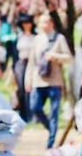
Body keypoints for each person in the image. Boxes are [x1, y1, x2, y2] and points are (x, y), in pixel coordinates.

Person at [25, 13, 71, 148]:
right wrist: (28, 80)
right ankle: (50, 129)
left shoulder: (59, 38)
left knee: (54, 112)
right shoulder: (37, 39)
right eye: (40, 23)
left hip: (55, 82)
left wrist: (55, 56)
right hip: (38, 80)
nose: (42, 25)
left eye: (45, 22)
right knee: (35, 107)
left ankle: (50, 143)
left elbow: (68, 58)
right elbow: (32, 62)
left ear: (51, 23)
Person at [13, 14, 35, 121]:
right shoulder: (19, 36)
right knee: (21, 89)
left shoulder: (35, 37)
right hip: (21, 64)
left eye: (28, 23)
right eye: (24, 23)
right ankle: (23, 113)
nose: (27, 25)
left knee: (31, 88)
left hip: (32, 64)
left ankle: (32, 114)